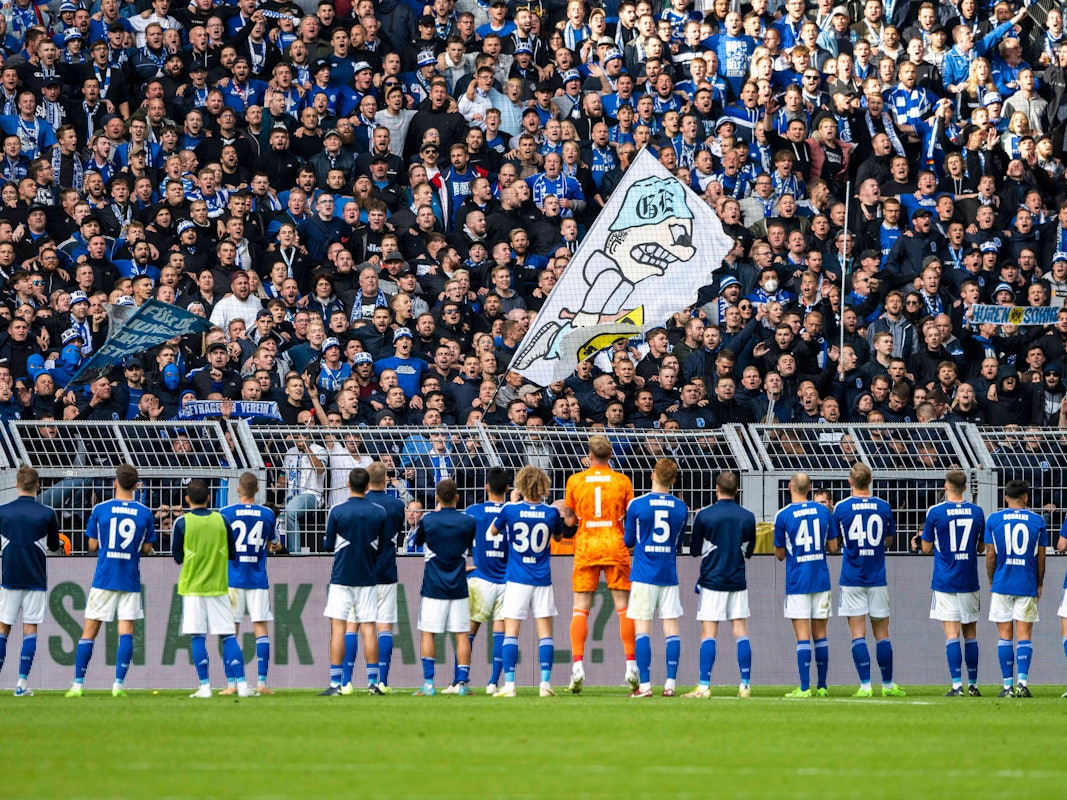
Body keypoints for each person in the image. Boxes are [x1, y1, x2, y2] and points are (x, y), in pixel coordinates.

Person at [66, 464, 155, 698]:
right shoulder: (145, 513)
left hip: (104, 577)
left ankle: (77, 684)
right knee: (125, 631)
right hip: (129, 579)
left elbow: (92, 546)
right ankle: (118, 685)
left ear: (115, 482)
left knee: (90, 630)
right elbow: (147, 548)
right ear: (137, 486)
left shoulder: (101, 509)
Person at [561, 434, 637, 693]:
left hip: (587, 545)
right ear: (611, 455)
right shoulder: (621, 481)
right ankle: (630, 665)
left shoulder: (575, 480)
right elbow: (630, 513)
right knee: (623, 609)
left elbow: (570, 520)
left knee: (580, 609)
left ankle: (578, 666)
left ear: (589, 456)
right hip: (614, 542)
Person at [831, 462, 905, 698]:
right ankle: (888, 684)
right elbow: (889, 541)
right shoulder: (883, 506)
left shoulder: (841, 508)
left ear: (850, 482)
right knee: (882, 633)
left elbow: (834, 544)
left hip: (852, 577)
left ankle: (865, 686)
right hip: (877, 577)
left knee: (857, 633)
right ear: (870, 481)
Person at [488, 466, 562, 697]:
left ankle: (509, 685)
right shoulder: (551, 513)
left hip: (517, 578)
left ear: (520, 485)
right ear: (543, 486)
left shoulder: (510, 510)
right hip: (541, 578)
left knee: (511, 631)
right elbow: (559, 536)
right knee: (545, 633)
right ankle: (545, 684)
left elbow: (492, 531)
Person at [172, 479, 250, 698]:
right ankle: (242, 685)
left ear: (187, 499)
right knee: (228, 636)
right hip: (218, 587)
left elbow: (177, 557)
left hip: (193, 587)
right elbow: (234, 554)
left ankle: (205, 686)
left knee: (198, 637)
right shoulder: (222, 520)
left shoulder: (182, 523)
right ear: (209, 498)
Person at [683, 471, 755, 699]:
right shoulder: (748, 516)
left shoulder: (705, 515)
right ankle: (745, 685)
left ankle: (704, 686)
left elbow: (694, 549)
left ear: (716, 488)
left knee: (708, 633)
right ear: (737, 490)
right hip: (736, 579)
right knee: (741, 631)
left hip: (712, 580)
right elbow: (749, 550)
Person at [914, 470, 986, 697]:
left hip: (945, 580)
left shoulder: (935, 512)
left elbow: (926, 549)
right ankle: (973, 685)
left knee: (952, 634)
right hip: (969, 580)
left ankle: (957, 686)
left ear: (946, 486)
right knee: (971, 634)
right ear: (965, 488)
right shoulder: (977, 512)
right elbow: (981, 547)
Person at [624, 458, 688, 698]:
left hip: (643, 574)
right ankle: (670, 684)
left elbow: (629, 541)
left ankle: (646, 686)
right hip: (668, 574)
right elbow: (678, 543)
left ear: (652, 475)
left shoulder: (637, 504)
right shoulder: (681, 508)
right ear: (673, 480)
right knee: (671, 629)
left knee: (643, 630)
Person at [319, 467, 387, 696]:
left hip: (342, 576)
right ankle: (372, 683)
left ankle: (336, 684)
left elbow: (328, 545)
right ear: (367, 486)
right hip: (367, 576)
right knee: (369, 628)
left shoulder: (337, 511)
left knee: (338, 628)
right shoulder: (378, 512)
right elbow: (382, 545)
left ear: (348, 484)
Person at [446, 466, 510, 695]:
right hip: (507, 580)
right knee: (501, 633)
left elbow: (453, 535)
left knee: (467, 632)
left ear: (486, 487)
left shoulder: (473, 511)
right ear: (507, 488)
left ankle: (459, 681)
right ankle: (493, 682)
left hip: (480, 577)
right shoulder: (512, 511)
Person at [774, 472, 837, 698]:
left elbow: (780, 554)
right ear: (810, 488)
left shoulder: (783, 515)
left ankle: (804, 687)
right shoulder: (824, 511)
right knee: (820, 635)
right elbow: (833, 546)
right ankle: (822, 686)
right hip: (820, 578)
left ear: (790, 486)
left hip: (797, 580)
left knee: (802, 637)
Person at [0, 465, 61, 697]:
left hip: (9, 578)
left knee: (3, 628)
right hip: (35, 578)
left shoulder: (2, 511)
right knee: (30, 630)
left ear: (16, 484)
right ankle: (21, 684)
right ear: (37, 485)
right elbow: (55, 545)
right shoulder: (47, 513)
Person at [413, 479, 477, 696]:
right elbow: (468, 545)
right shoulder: (468, 522)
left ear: (437, 498)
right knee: (461, 634)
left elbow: (417, 540)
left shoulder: (428, 520)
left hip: (433, 587)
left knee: (428, 634)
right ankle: (462, 683)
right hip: (458, 585)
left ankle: (429, 685)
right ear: (457, 497)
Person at [219, 472, 281, 696]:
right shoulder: (267, 514)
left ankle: (231, 683)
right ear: (257, 490)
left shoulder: (225, 513)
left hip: (233, 579)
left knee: (230, 631)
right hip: (257, 578)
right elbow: (274, 543)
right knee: (261, 628)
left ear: (238, 489)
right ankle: (262, 682)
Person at [986, 479, 1046, 698]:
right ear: (1026, 498)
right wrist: (1039, 582)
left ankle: (1007, 686)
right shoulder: (1037, 521)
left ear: (1005, 497)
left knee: (1004, 636)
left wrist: (992, 581)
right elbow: (1041, 556)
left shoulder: (994, 519)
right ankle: (1022, 683)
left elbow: (990, 554)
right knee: (1024, 636)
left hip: (1002, 582)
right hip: (1026, 582)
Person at [365, 461, 406, 693]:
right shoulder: (396, 505)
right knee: (385, 626)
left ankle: (348, 681)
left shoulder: (361, 504)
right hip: (387, 569)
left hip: (362, 571)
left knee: (357, 626)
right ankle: (383, 681)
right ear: (385, 479)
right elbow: (397, 530)